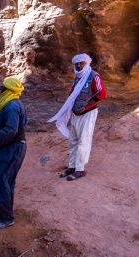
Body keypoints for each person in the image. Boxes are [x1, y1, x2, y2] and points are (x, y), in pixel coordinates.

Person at [48, 53, 107, 181]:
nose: (79, 66)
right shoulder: (78, 77)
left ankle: (80, 169)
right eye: (77, 64)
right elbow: (72, 93)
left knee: (83, 141)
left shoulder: (93, 76)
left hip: (87, 113)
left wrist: (86, 105)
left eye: (81, 63)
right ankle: (72, 166)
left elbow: (102, 93)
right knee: (74, 141)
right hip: (76, 113)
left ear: (87, 63)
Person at [0, 78, 27, 229]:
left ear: (8, 89)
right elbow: (8, 123)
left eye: (2, 86)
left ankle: (7, 218)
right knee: (3, 178)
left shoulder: (12, 106)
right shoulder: (10, 103)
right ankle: (4, 212)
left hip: (12, 147)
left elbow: (10, 130)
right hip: (9, 147)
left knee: (2, 179)